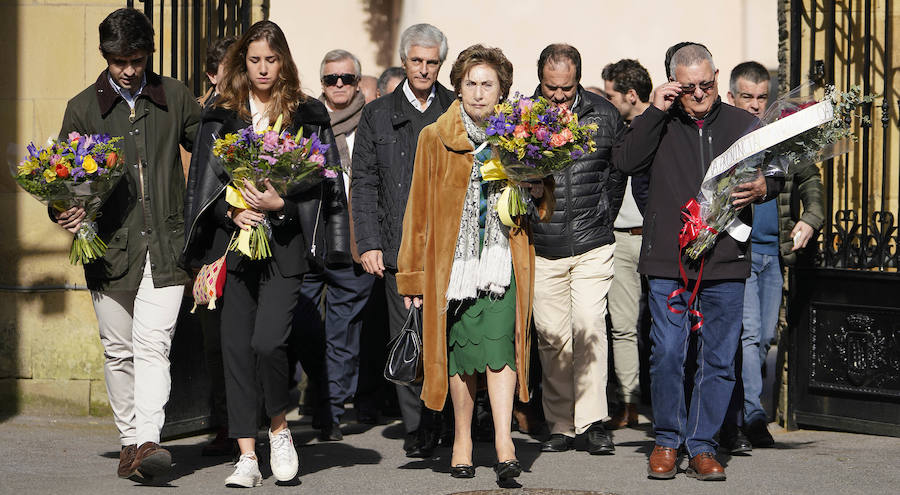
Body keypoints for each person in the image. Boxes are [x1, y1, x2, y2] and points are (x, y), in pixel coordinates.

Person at [182, 20, 345, 488]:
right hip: (232, 249)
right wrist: (230, 216)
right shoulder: (221, 114)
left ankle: (278, 429)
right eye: (254, 60)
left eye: (271, 60)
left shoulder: (308, 113)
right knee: (235, 350)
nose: (263, 69)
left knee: (267, 343)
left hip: (285, 249)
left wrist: (283, 205)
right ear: (241, 63)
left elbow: (325, 180)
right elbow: (202, 190)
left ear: (284, 62)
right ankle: (247, 457)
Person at [614, 43, 782, 481]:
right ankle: (667, 440)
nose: (701, 94)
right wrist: (654, 110)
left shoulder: (744, 123)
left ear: (716, 77)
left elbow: (782, 167)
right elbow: (627, 161)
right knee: (668, 352)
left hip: (726, 257)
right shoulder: (659, 122)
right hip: (670, 260)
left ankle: (704, 445)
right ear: (673, 84)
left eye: (707, 85)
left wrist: (766, 186)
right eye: (689, 88)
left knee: (721, 358)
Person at [52, 8, 201, 481]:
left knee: (154, 344)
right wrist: (65, 210)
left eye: (136, 59)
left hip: (167, 242)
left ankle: (148, 440)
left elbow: (215, 151)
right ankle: (127, 441)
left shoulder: (175, 96)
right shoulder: (82, 107)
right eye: (119, 61)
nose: (129, 70)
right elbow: (60, 176)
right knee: (118, 350)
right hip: (109, 248)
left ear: (148, 54)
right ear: (105, 57)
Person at [397, 43, 553, 482]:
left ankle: (504, 442)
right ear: (459, 87)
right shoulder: (435, 137)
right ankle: (462, 437)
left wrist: (538, 188)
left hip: (504, 259)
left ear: (502, 91)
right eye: (471, 84)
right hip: (456, 268)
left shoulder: (519, 138)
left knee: (501, 349)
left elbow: (542, 201)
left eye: (488, 85)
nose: (479, 93)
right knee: (463, 357)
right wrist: (412, 279)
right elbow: (418, 212)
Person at [351, 23, 456, 458]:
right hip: (398, 246)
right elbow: (364, 182)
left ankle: (448, 422)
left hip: (451, 244)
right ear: (404, 60)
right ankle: (417, 427)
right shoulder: (377, 114)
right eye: (417, 61)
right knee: (409, 335)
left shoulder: (456, 107)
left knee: (449, 338)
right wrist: (369, 242)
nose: (425, 69)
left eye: (433, 62)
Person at [717, 61, 823, 452]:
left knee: (763, 337)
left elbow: (810, 177)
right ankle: (753, 416)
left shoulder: (782, 135)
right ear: (732, 97)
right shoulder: (724, 135)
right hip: (737, 252)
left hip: (771, 254)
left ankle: (745, 414)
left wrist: (811, 218)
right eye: (747, 97)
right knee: (747, 336)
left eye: (762, 97)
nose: (755, 105)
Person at [530, 44, 625, 456]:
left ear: (578, 81)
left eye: (565, 89)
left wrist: (603, 216)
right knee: (552, 338)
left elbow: (617, 175)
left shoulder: (604, 115)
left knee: (589, 327)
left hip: (592, 241)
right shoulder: (522, 116)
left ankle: (592, 422)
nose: (557, 97)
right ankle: (560, 424)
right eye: (550, 88)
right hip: (542, 244)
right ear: (540, 81)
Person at [295, 49, 374, 442]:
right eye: (331, 79)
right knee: (304, 326)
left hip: (356, 241)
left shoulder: (373, 120)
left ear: (358, 83)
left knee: (343, 333)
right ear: (322, 83)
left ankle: (331, 412)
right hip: (313, 238)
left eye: (346, 78)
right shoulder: (305, 119)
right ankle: (317, 393)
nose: (339, 85)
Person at [601, 58, 653, 429]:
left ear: (630, 95)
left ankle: (665, 399)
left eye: (611, 95)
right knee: (622, 325)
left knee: (668, 323)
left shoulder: (666, 127)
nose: (606, 102)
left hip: (659, 237)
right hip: (621, 238)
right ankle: (628, 401)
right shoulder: (614, 128)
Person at [193, 35, 237, 459]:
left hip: (248, 235)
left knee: (247, 337)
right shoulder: (199, 117)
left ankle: (249, 420)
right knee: (214, 339)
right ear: (212, 75)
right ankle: (223, 423)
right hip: (210, 243)